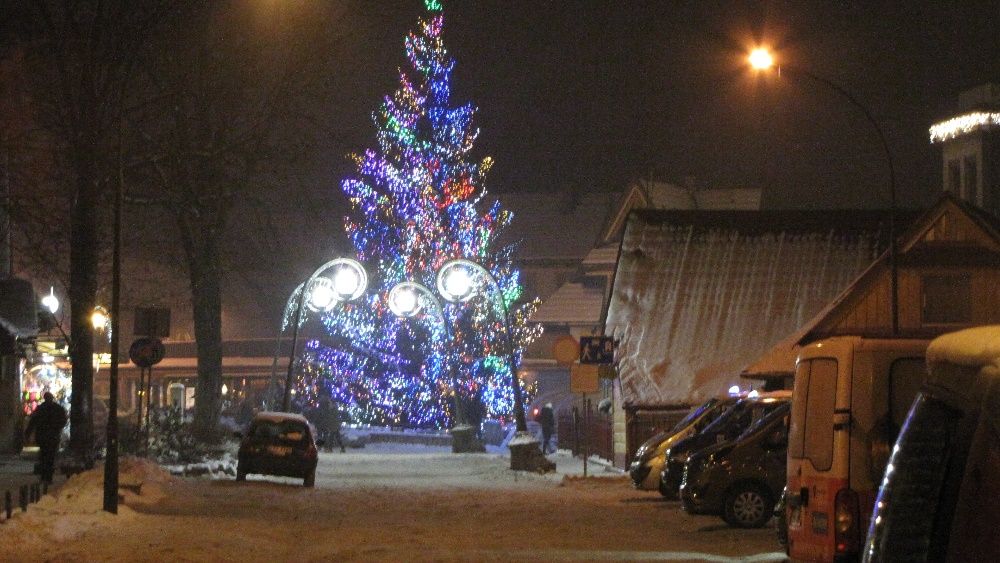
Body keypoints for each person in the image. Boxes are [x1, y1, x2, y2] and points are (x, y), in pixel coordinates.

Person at [24, 392, 68, 483]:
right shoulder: (58, 408)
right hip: (53, 436)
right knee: (50, 457)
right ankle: (48, 477)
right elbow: (64, 420)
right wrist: (57, 428)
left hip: (42, 436)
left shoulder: (41, 408)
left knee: (43, 456)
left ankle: (44, 476)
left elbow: (33, 421)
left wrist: (28, 433)